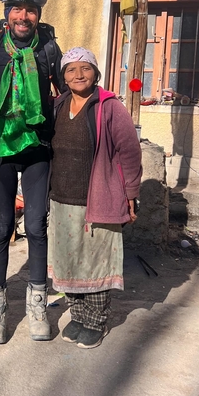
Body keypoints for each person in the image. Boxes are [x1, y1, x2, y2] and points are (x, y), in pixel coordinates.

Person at [0, 0, 64, 344]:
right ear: (7, 12)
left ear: (38, 14)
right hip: (1, 148)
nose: (23, 16)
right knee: (3, 228)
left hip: (37, 146)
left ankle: (37, 304)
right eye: (17, 9)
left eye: (30, 10)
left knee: (37, 226)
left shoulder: (49, 49)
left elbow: (69, 92)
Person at [48, 47, 142, 349]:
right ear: (63, 76)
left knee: (96, 263)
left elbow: (129, 153)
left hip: (98, 199)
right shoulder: (58, 105)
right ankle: (77, 317)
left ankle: (96, 322)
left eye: (85, 68)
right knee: (69, 262)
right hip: (61, 199)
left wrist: (131, 194)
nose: (79, 74)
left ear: (95, 73)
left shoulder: (110, 107)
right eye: (71, 69)